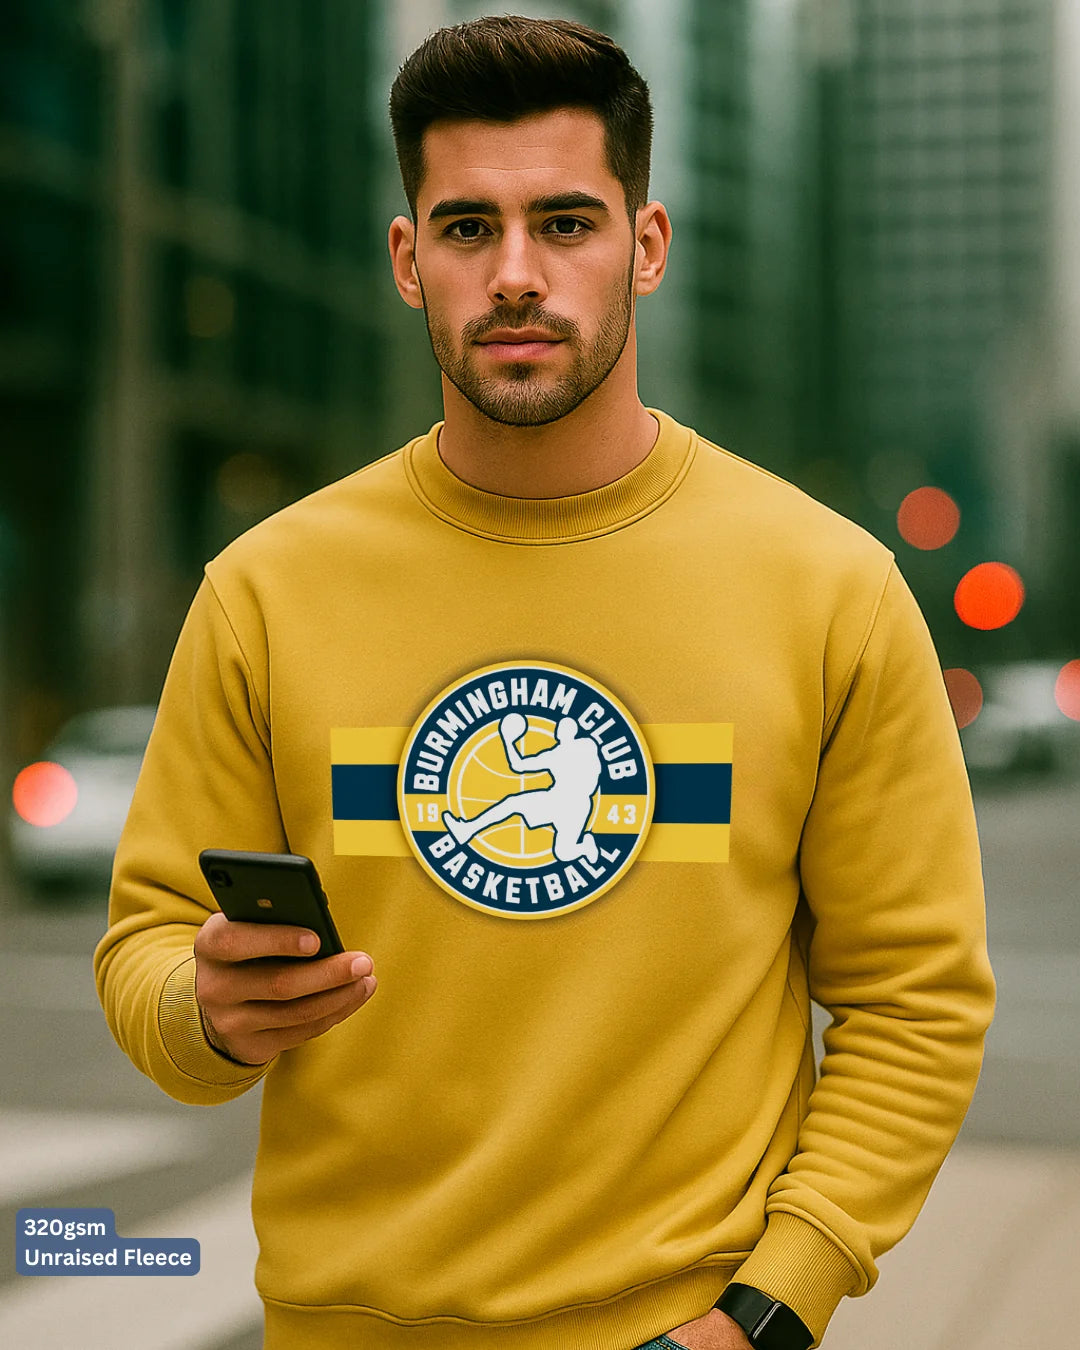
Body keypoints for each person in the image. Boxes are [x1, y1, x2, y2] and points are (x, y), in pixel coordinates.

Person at [94, 16, 995, 1350]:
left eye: (567, 223)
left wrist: (770, 1309)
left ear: (649, 244)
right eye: (468, 228)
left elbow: (916, 999)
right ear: (409, 259)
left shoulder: (829, 591)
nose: (516, 275)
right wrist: (208, 1014)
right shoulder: (268, 591)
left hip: (679, 1325)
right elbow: (147, 949)